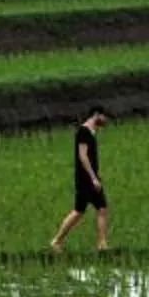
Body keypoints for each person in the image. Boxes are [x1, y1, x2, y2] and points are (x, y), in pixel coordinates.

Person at [50, 108, 110, 252]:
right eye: (104, 116)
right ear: (96, 115)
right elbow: (82, 156)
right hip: (86, 179)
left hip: (90, 177)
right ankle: (57, 241)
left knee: (99, 209)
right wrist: (93, 178)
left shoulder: (91, 132)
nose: (106, 120)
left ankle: (102, 243)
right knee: (81, 211)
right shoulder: (83, 132)